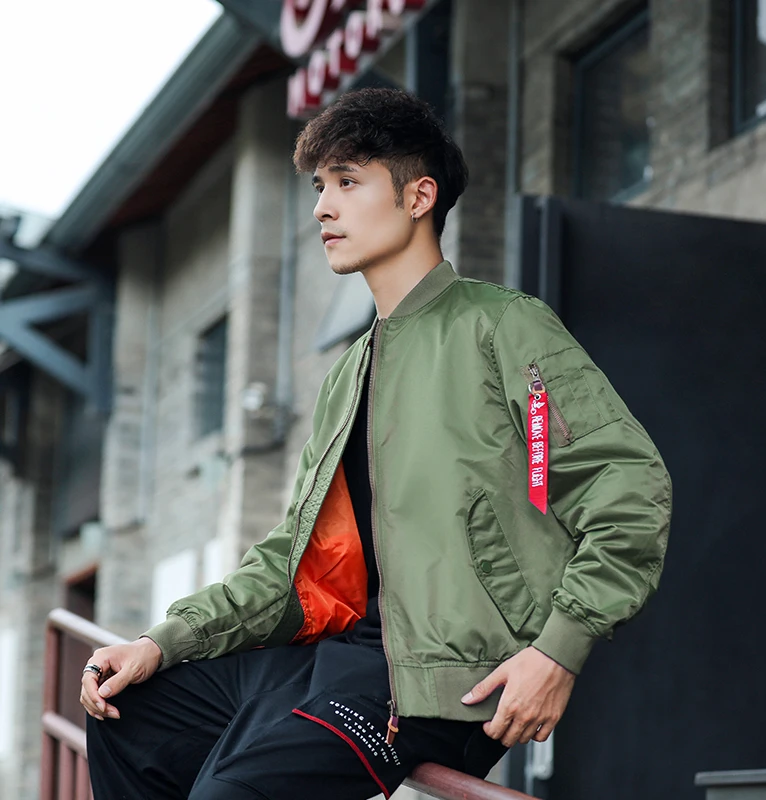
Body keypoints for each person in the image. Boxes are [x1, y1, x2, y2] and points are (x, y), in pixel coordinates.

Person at [81, 88, 672, 800]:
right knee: (132, 711)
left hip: (437, 679)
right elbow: (289, 560)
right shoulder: (349, 374)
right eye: (319, 187)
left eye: (348, 181)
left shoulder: (502, 328)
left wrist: (557, 651)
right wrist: (162, 641)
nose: (322, 209)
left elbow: (628, 492)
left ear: (419, 196)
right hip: (335, 656)